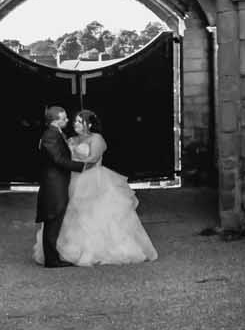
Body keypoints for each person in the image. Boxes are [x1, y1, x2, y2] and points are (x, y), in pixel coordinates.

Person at [32, 108, 159, 267]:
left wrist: (79, 163)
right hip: (74, 180)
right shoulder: (71, 139)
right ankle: (63, 253)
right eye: (73, 120)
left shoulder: (97, 139)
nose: (73, 123)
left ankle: (97, 250)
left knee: (95, 214)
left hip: (93, 180)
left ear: (89, 124)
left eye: (79, 121)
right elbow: (60, 158)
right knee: (69, 216)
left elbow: (92, 160)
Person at [33, 104, 90, 269]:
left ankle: (52, 257)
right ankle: (51, 260)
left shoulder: (56, 133)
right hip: (54, 184)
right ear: (55, 121)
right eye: (64, 118)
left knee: (55, 219)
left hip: (57, 182)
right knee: (53, 218)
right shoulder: (50, 135)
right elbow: (58, 159)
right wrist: (81, 167)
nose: (67, 120)